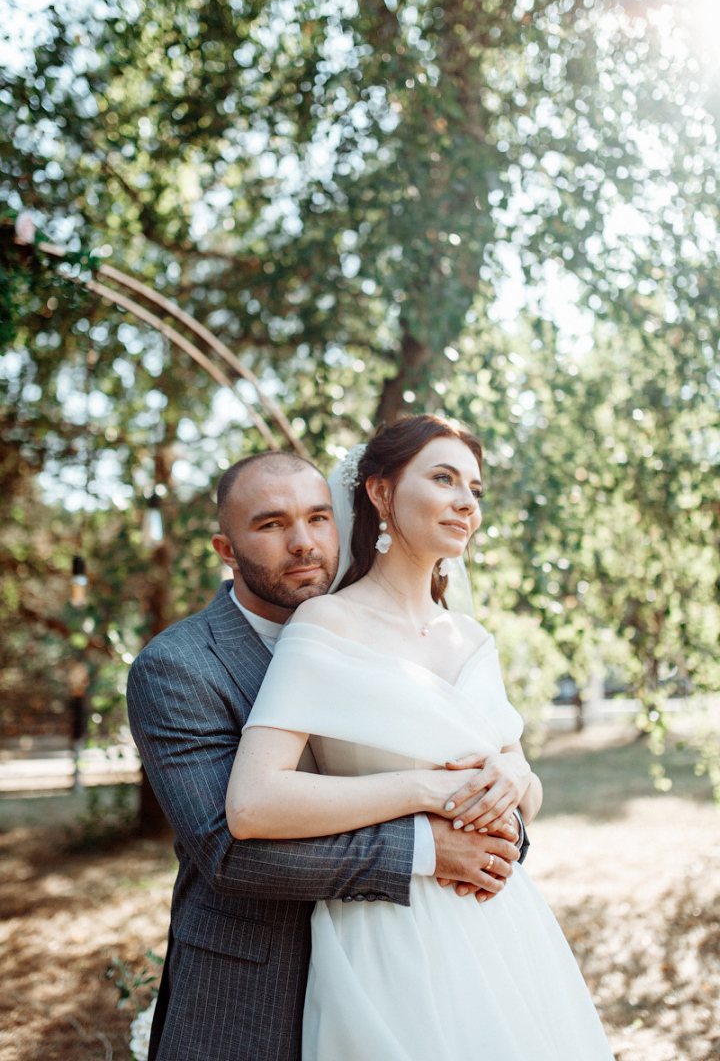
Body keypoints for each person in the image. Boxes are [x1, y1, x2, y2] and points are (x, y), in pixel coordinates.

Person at [226, 415, 616, 1061]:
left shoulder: (471, 638)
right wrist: (425, 789)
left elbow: (527, 795)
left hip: (504, 927)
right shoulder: (329, 623)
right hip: (389, 932)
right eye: (443, 479)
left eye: (476, 489)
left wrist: (519, 778)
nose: (466, 502)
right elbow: (252, 803)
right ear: (379, 493)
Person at [127, 449, 525, 1061]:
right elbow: (227, 852)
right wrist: (428, 847)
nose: (303, 543)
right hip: (253, 988)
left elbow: (473, 769)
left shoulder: (391, 638)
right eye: (270, 524)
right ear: (226, 550)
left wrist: (502, 804)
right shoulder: (178, 668)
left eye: (318, 518)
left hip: (400, 966)